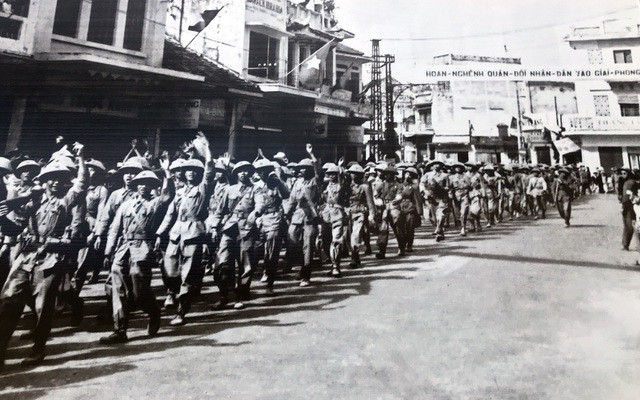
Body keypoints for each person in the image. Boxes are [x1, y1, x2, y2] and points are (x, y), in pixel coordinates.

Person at [0, 143, 86, 369]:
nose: (55, 182)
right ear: (44, 179)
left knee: (43, 307)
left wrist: (81, 159)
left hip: (50, 259)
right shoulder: (33, 201)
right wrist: (2, 218)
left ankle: (38, 349)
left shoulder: (66, 202)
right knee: (8, 300)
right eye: (51, 178)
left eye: (59, 178)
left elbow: (80, 185)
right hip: (26, 257)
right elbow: (14, 228)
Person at [100, 163, 173, 344]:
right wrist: (109, 250)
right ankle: (119, 330)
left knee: (139, 292)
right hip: (124, 247)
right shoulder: (126, 205)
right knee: (118, 289)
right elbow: (115, 228)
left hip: (142, 248)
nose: (142, 186)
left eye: (147, 183)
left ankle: (154, 311)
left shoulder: (155, 203)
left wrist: (167, 172)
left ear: (152, 187)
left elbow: (167, 195)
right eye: (140, 183)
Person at [156, 134, 213, 326]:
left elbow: (209, 171)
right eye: (187, 170)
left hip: (194, 234)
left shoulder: (202, 189)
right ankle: (175, 292)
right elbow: (170, 215)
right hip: (176, 234)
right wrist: (159, 234)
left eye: (194, 170)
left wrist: (206, 149)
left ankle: (181, 311)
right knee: (170, 272)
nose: (190, 172)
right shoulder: (180, 192)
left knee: (187, 275)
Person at [346, 164, 375, 268]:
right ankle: (356, 256)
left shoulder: (365, 186)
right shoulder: (347, 186)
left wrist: (372, 215)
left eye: (356, 174)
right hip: (349, 213)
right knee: (348, 237)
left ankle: (354, 257)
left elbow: (370, 202)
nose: (353, 176)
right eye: (352, 174)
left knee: (356, 235)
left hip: (360, 212)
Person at [620, 168, 637, 251]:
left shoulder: (630, 183)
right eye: (622, 173)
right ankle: (625, 244)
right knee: (628, 226)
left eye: (624, 173)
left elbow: (627, 197)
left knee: (629, 226)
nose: (623, 175)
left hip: (630, 206)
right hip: (628, 206)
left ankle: (625, 244)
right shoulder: (626, 182)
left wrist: (623, 206)